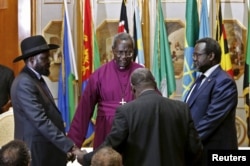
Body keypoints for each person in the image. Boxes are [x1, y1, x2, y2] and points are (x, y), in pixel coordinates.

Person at [77, 68, 203, 166]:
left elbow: (112, 145)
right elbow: (195, 149)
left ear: (133, 89)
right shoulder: (182, 108)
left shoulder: (126, 111)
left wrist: (85, 158)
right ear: (155, 84)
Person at [10, 35, 83, 166]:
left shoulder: (34, 78)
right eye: (44, 58)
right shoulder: (24, 83)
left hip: (46, 149)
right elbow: (41, 120)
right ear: (32, 60)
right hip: (35, 152)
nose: (49, 61)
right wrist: (70, 146)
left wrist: (62, 147)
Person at [68, 32, 143, 149]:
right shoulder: (99, 74)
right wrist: (73, 143)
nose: (124, 57)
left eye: (128, 53)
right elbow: (84, 109)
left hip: (134, 130)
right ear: (113, 50)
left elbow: (153, 100)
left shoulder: (141, 72)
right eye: (120, 52)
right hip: (106, 131)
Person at [185, 37, 238, 165]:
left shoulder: (224, 82)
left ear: (211, 56)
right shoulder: (201, 79)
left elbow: (211, 119)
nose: (194, 59)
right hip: (199, 151)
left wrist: (188, 140)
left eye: (197, 55)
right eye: (193, 55)